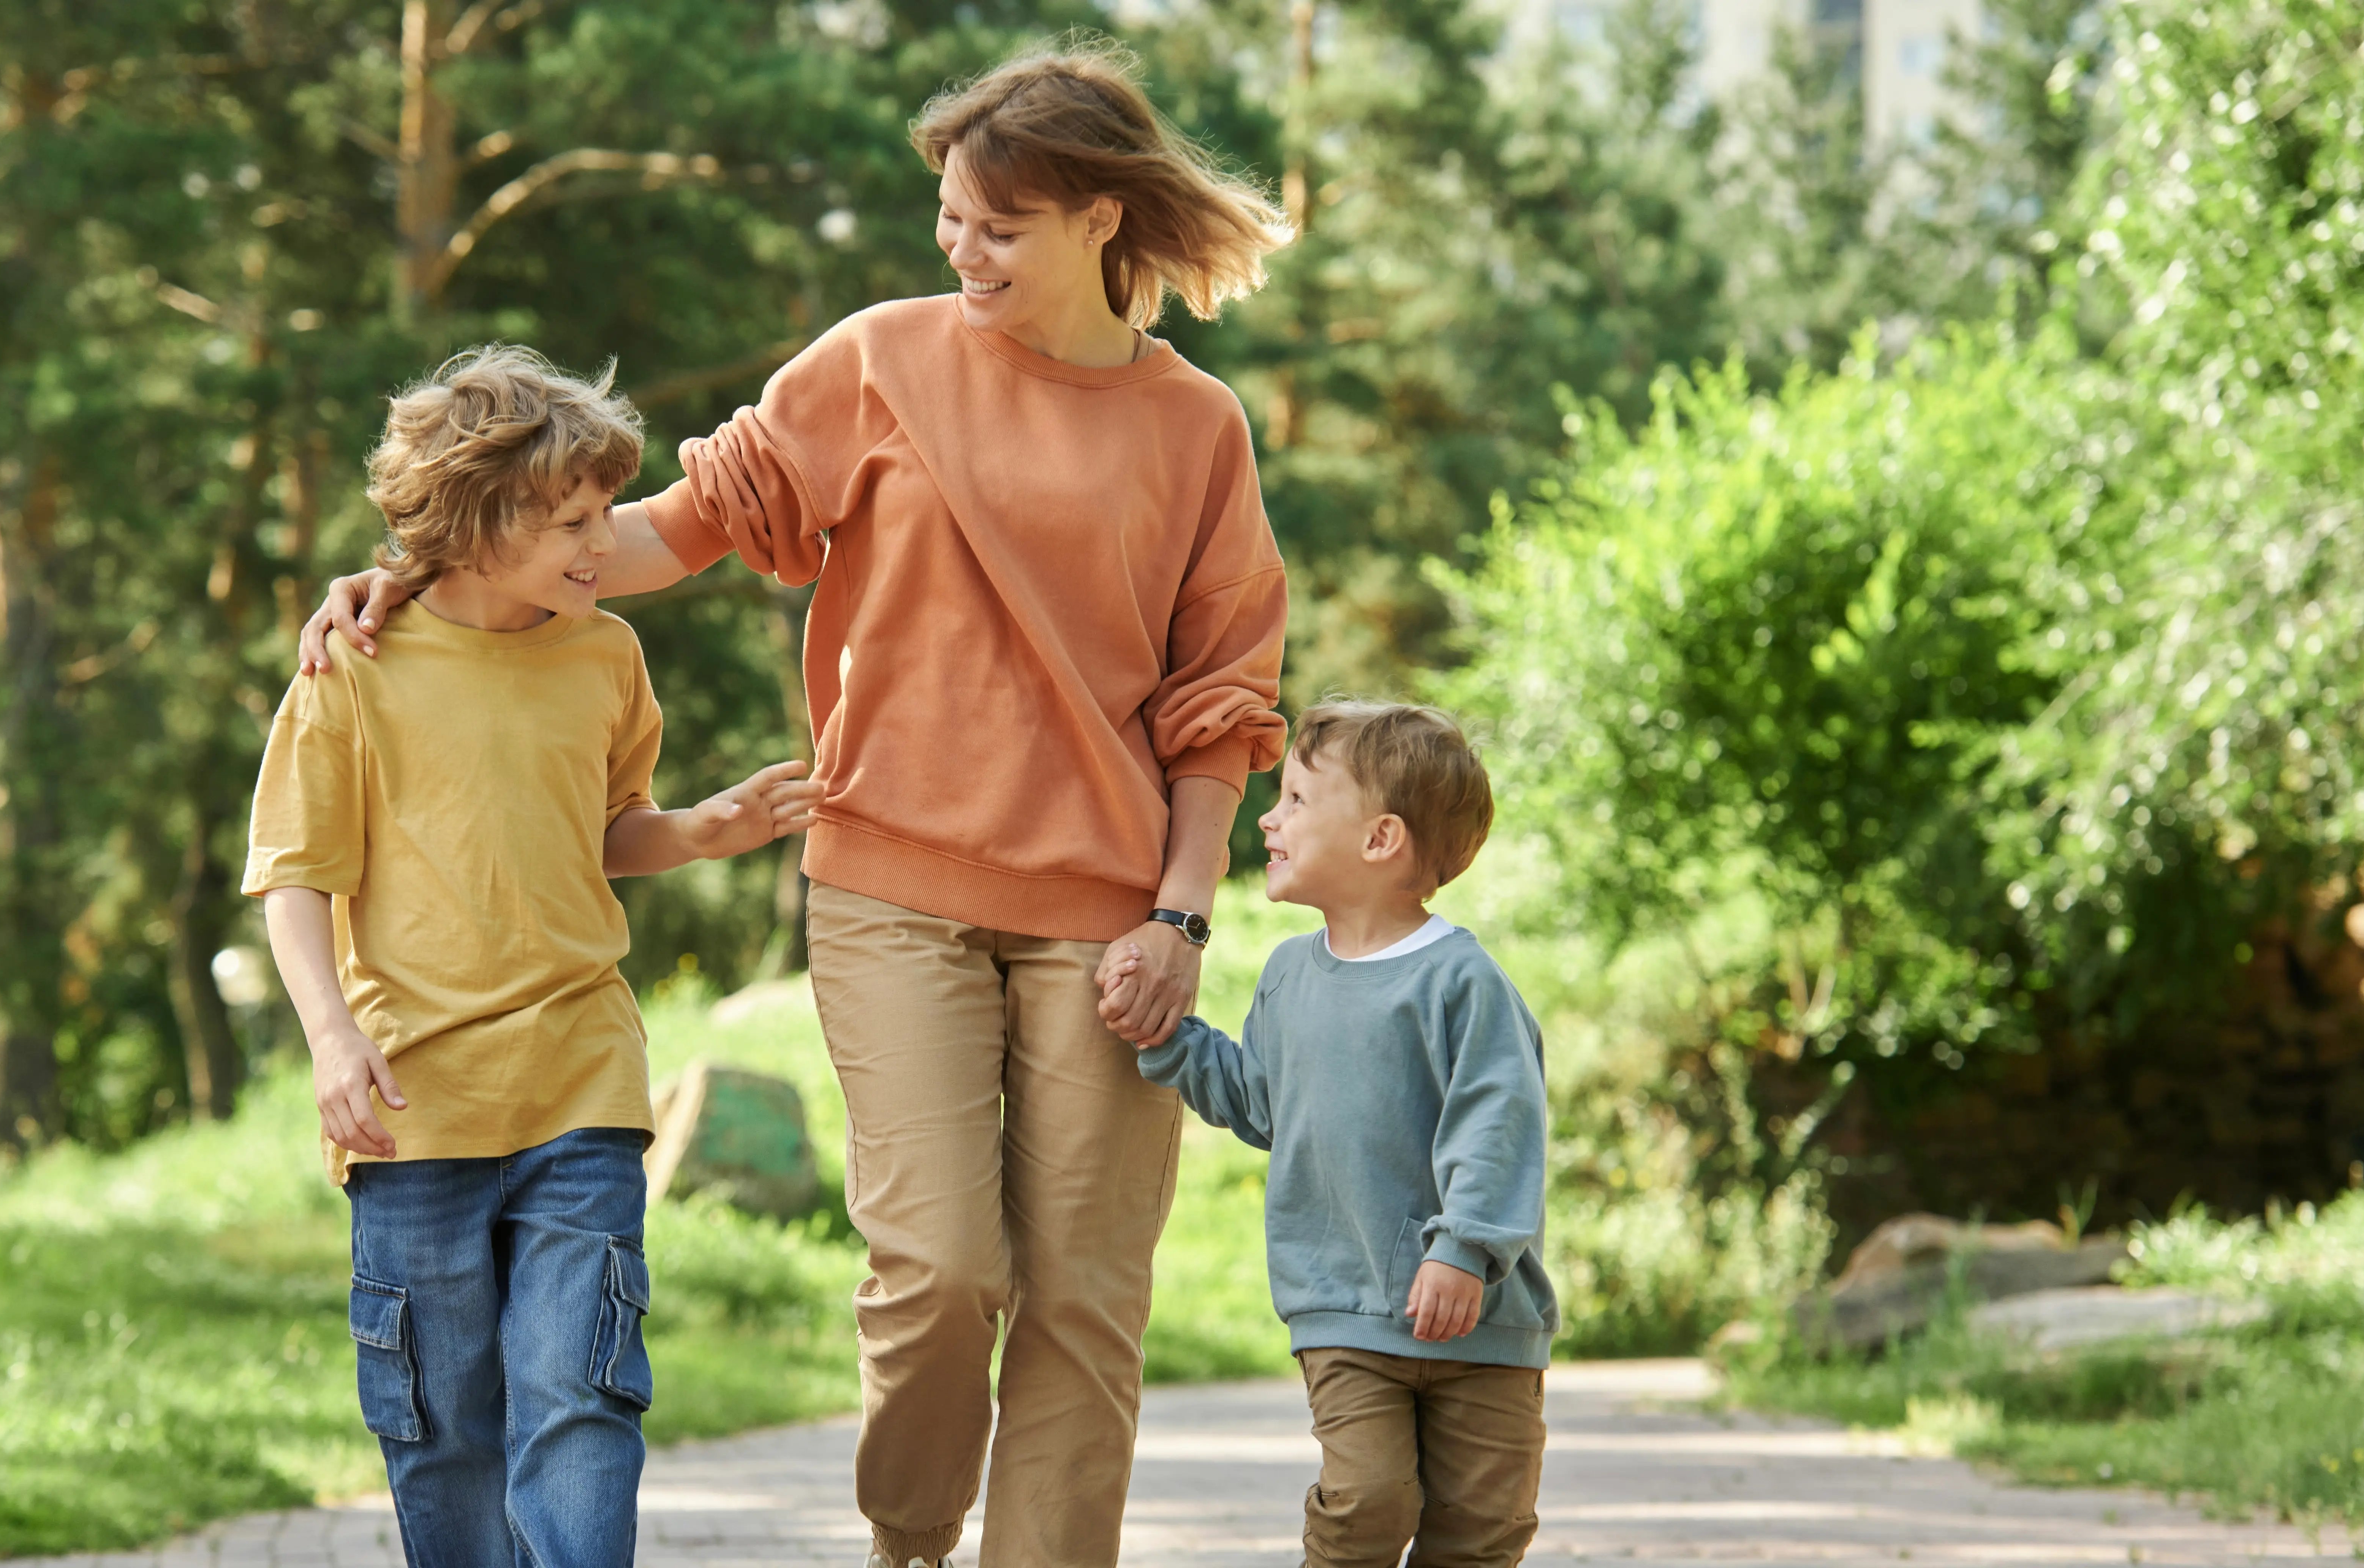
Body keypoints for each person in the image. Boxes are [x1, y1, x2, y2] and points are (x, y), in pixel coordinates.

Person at [297, 44, 1295, 1568]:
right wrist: (432, 577)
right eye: (947, 217)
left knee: (1088, 1301)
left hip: (1108, 918)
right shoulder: (881, 360)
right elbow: (664, 535)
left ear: (1101, 219)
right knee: (942, 1271)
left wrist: (1183, 913)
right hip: (894, 884)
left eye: (998, 228)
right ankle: (908, 1541)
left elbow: (1218, 705)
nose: (960, 251)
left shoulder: (1196, 430)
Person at [244, 344, 825, 1566]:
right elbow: (297, 878)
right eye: (573, 518)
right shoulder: (353, 668)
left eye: (606, 512)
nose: (603, 541)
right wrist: (331, 1037)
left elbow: (606, 832)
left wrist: (706, 830)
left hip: (582, 1085)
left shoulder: (605, 655)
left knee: (579, 1402)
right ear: (475, 520)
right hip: (416, 1109)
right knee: (443, 1429)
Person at [1110, 701, 1555, 1567]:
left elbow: (1501, 1123)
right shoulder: (1288, 978)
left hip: (1484, 1323)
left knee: (1485, 1526)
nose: (1268, 818)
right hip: (1343, 1310)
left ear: (1381, 839)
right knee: (1365, 1502)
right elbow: (1260, 1102)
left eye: (1298, 801)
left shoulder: (1461, 981)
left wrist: (1464, 1249)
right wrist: (1170, 1039)